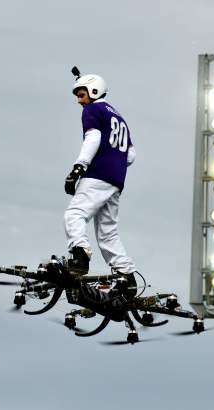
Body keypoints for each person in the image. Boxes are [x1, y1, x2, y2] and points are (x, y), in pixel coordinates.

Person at [63, 70, 137, 295]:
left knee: (74, 214)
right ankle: (127, 277)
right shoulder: (118, 117)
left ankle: (80, 256)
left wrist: (78, 168)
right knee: (108, 232)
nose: (79, 100)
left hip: (97, 175)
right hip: (116, 181)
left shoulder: (93, 110)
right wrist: (114, 162)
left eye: (82, 94)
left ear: (94, 91)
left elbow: (92, 138)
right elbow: (131, 154)